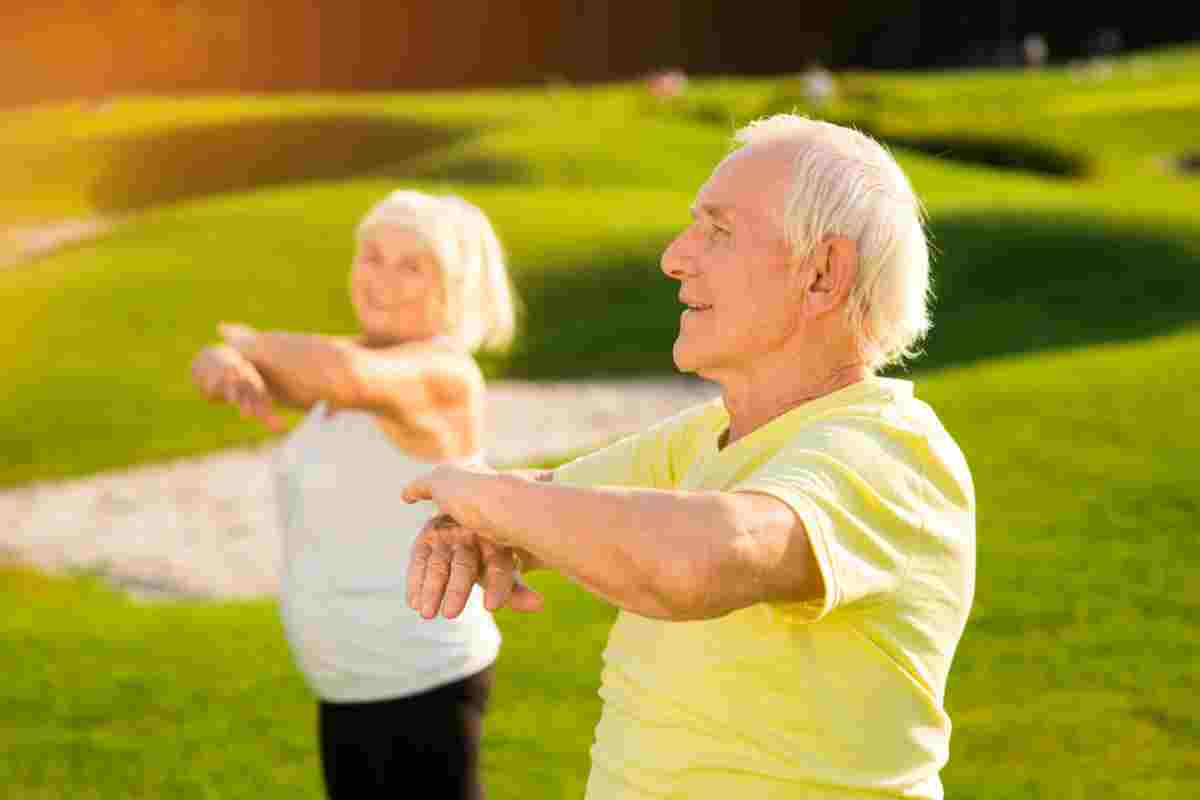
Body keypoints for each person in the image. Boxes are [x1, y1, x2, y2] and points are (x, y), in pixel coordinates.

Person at [402, 115, 976, 799]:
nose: (675, 257)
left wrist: (485, 498)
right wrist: (473, 523)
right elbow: (553, 499)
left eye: (719, 231)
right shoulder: (704, 438)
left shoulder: (891, 450)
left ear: (823, 273)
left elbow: (694, 562)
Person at [190, 189, 518, 799]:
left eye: (411, 266)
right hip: (346, 686)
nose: (381, 279)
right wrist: (222, 359)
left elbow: (342, 375)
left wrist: (246, 342)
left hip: (422, 681)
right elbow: (280, 366)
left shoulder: (443, 374)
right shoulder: (345, 360)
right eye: (372, 256)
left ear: (456, 288)